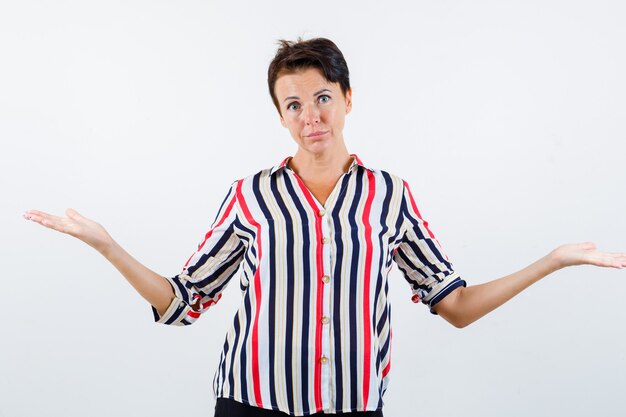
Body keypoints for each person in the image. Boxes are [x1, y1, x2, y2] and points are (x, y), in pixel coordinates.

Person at [23, 37, 625, 417]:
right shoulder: (251, 195)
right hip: (251, 407)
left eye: (321, 97)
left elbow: (457, 305)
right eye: (293, 104)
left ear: (346, 99)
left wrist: (553, 260)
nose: (310, 116)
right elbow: (185, 301)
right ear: (280, 117)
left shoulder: (388, 195)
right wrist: (106, 246)